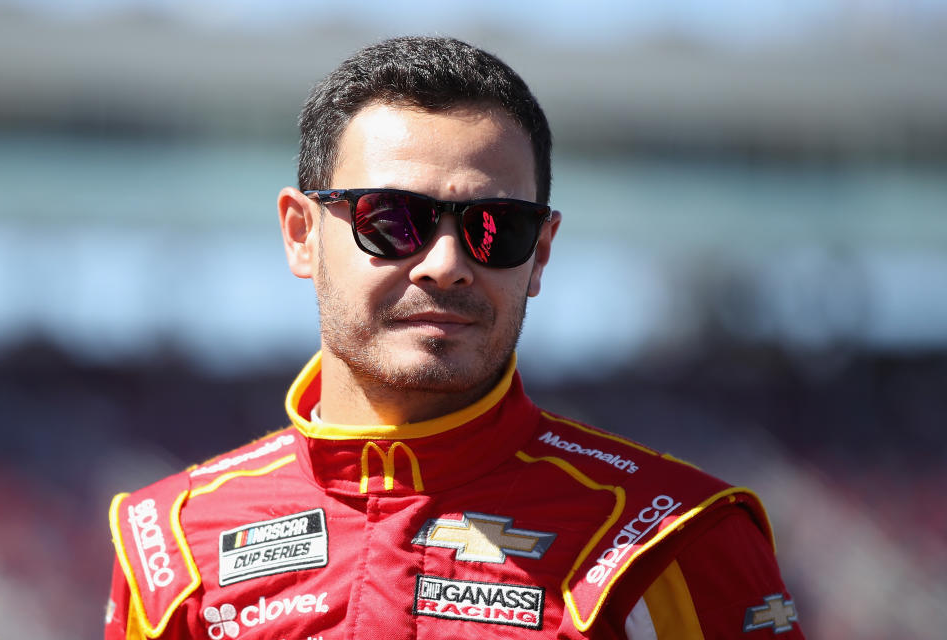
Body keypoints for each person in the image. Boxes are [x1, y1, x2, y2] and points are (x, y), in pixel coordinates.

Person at [105, 36, 804, 639]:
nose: (446, 265)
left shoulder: (672, 537)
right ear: (301, 235)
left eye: (495, 228)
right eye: (392, 220)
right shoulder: (169, 543)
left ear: (542, 254)